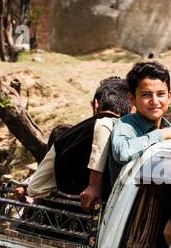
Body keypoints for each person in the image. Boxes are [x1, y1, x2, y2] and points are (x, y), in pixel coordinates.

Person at [23, 76, 130, 209]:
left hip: (65, 218)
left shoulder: (64, 137)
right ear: (131, 107)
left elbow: (36, 188)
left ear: (96, 104)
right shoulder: (130, 135)